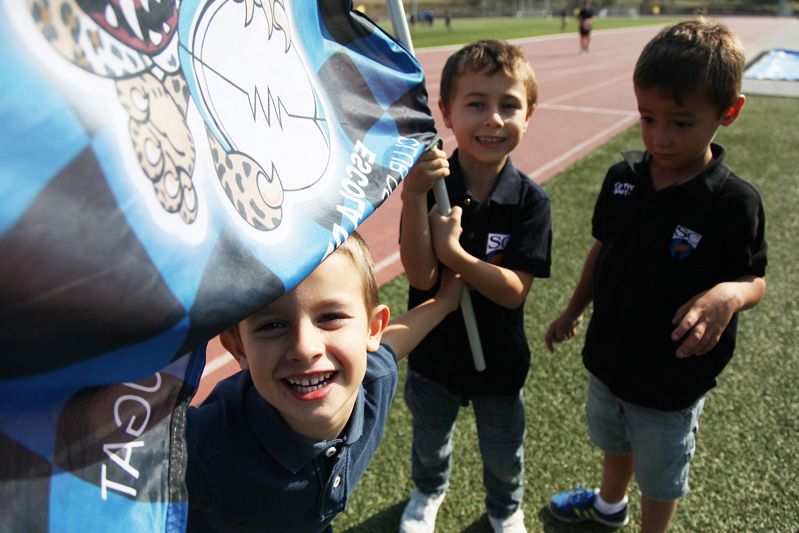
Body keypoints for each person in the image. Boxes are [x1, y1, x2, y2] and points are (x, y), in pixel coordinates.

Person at [545, 19, 767, 532]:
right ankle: (608, 506)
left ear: (728, 111)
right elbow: (602, 250)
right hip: (610, 357)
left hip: (672, 379)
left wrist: (728, 295)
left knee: (661, 475)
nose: (660, 137)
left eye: (681, 123)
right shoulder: (622, 178)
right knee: (614, 441)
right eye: (647, 118)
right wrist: (573, 309)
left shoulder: (734, 202)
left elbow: (755, 280)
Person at [185, 232, 464, 532]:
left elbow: (397, 340)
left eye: (330, 317)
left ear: (372, 329)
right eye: (272, 325)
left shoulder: (375, 381)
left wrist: (444, 302)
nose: (305, 349)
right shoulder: (205, 447)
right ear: (238, 347)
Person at [399, 40, 553, 533]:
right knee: (429, 438)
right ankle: (428, 492)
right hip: (435, 356)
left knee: (504, 450)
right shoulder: (433, 184)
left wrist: (458, 257)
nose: (492, 119)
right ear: (445, 112)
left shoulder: (531, 201)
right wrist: (413, 199)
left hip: (500, 358)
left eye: (508, 105)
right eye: (476, 104)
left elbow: (513, 291)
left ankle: (506, 509)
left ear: (529, 114)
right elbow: (422, 278)